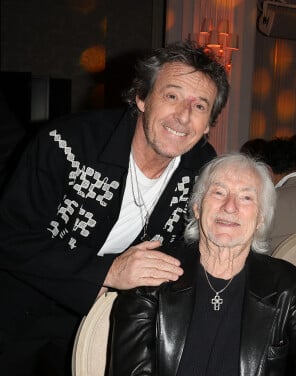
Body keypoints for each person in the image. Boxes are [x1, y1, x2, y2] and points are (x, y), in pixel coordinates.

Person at [0, 41, 230, 375]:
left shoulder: (203, 171)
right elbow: (9, 236)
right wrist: (107, 272)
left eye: (200, 106)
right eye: (171, 96)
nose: (183, 116)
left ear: (209, 124)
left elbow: (195, 250)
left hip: (104, 320)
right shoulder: (67, 143)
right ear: (141, 98)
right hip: (19, 302)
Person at [108, 153, 296, 375]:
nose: (230, 207)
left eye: (246, 197)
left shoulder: (286, 285)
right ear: (197, 208)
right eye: (218, 193)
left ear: (260, 219)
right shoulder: (153, 270)